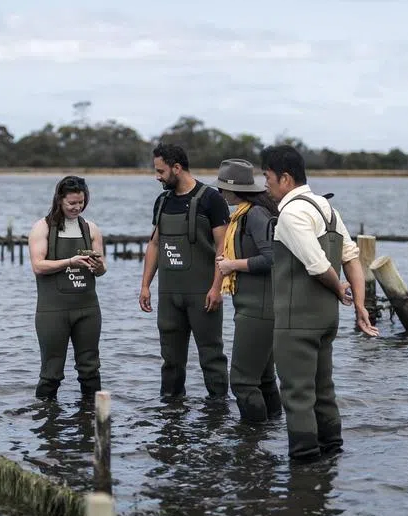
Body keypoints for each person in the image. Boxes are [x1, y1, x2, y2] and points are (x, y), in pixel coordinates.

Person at [260, 144, 379, 461]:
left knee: (297, 395)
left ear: (285, 178)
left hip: (296, 319)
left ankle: (305, 461)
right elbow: (352, 258)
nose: (265, 184)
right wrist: (360, 306)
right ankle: (333, 455)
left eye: (267, 177)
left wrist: (341, 290)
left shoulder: (290, 213)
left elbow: (316, 265)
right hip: (326, 320)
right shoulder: (328, 210)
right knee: (324, 391)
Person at [139, 143, 231, 399]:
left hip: (203, 294)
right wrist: (145, 285)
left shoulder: (212, 200)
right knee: (170, 361)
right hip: (169, 296)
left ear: (177, 168)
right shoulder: (162, 201)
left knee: (211, 356)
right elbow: (155, 244)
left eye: (161, 171)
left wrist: (217, 287)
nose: (157, 177)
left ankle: (218, 414)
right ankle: (170, 415)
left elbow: (223, 248)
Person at [212, 158, 283, 423]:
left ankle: (250, 439)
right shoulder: (246, 213)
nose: (219, 193)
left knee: (242, 382)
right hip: (255, 306)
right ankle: (273, 432)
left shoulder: (254, 215)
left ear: (235, 190)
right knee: (264, 379)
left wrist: (232, 265)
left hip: (258, 310)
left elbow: (271, 258)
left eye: (222, 188)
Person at [28, 175, 106, 400]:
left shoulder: (90, 228)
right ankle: (46, 425)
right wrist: (70, 262)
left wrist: (99, 266)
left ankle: (91, 422)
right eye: (71, 203)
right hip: (53, 311)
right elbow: (38, 266)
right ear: (59, 200)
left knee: (90, 370)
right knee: (51, 373)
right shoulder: (42, 227)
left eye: (81, 202)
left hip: (88, 309)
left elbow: (101, 270)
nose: (77, 207)